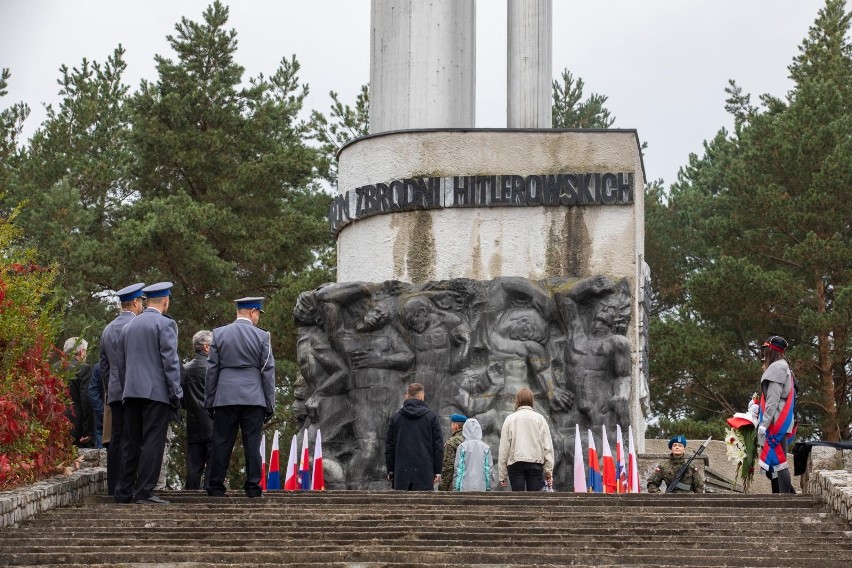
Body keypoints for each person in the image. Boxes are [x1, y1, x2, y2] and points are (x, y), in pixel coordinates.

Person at [114, 282, 183, 505]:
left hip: (131, 392)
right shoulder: (166, 324)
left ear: (146, 301)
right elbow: (170, 362)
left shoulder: (128, 327)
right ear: (165, 300)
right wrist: (176, 392)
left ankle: (123, 491)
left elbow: (121, 365)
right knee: (153, 442)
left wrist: (127, 388)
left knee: (130, 442)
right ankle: (144, 491)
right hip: (156, 394)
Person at [205, 297, 276, 498]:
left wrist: (209, 400)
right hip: (253, 397)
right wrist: (269, 403)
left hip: (225, 396)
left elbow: (212, 370)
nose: (258, 319)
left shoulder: (218, 334)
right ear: (253, 312)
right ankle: (253, 487)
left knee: (221, 442)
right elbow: (267, 371)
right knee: (252, 443)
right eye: (258, 315)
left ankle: (216, 485)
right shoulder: (262, 336)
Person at [99, 282, 146, 496]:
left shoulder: (108, 329)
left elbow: (104, 366)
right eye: (141, 302)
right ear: (136, 302)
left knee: (116, 438)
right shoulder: (138, 326)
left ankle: (113, 486)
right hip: (135, 390)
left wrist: (112, 386)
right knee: (134, 437)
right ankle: (130, 485)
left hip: (115, 392)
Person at [385, 382, 444, 491]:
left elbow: (389, 447)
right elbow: (438, 446)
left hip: (401, 472)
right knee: (424, 506)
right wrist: (437, 470)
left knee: (402, 506)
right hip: (425, 472)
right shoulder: (431, 417)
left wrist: (391, 470)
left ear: (407, 396)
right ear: (422, 397)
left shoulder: (396, 418)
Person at [757, 335, 796, 494]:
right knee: (774, 463)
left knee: (779, 461)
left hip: (776, 420)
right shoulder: (783, 365)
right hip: (780, 417)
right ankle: (781, 495)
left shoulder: (777, 367)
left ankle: (787, 498)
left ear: (771, 351)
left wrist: (764, 424)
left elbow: (772, 400)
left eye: (765, 350)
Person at [498, 387, 554, 491]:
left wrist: (502, 475)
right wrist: (548, 472)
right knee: (534, 501)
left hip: (515, 463)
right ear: (532, 400)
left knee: (518, 501)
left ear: (517, 400)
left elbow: (504, 449)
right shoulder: (540, 419)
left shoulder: (510, 419)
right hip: (535, 463)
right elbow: (547, 447)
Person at [182, 330, 214, 490]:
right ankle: (210, 498)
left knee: (194, 466)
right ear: (207, 347)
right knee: (213, 465)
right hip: (213, 421)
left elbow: (180, 398)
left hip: (193, 422)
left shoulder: (185, 369)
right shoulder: (214, 368)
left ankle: (190, 495)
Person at [62, 337, 94, 448]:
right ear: (81, 351)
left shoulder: (55, 367)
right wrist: (88, 430)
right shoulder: (84, 368)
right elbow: (86, 400)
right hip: (76, 425)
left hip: (56, 422)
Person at [454, 418, 493, 491]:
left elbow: (458, 469)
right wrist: (488, 487)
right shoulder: (486, 447)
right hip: (481, 486)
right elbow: (488, 470)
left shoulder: (462, 447)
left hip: (465, 487)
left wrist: (456, 488)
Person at [439, 413, 467, 491]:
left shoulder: (452, 442)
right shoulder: (470, 441)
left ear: (456, 426)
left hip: (455, 483)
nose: (451, 427)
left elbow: (448, 466)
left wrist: (443, 487)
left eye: (452, 425)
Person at [86, 360, 104, 448]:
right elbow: (92, 392)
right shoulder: (99, 367)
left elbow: (92, 392)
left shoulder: (99, 367)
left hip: (103, 418)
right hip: (104, 418)